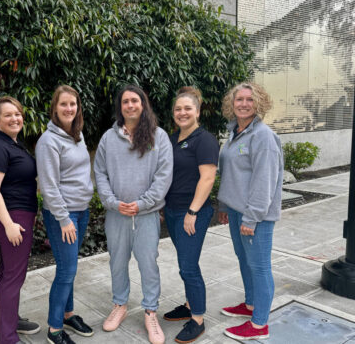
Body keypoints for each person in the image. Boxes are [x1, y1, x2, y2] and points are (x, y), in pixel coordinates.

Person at [94, 85, 173, 344]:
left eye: (134, 101)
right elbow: (101, 174)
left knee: (148, 264)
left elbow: (163, 177)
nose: (130, 105)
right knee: (117, 262)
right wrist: (112, 202)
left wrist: (142, 203)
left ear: (143, 104)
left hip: (146, 215)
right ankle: (120, 304)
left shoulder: (158, 137)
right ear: (120, 107)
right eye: (125, 101)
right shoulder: (108, 138)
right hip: (116, 215)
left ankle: (151, 310)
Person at [217, 82, 283, 341]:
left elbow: (264, 180)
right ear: (231, 104)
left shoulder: (263, 136)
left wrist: (252, 217)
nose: (243, 104)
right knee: (244, 260)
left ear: (259, 103)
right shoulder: (234, 132)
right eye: (239, 100)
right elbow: (229, 174)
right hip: (235, 210)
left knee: (259, 266)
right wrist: (224, 206)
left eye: (249, 99)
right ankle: (251, 304)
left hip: (257, 216)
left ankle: (259, 325)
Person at [36, 86, 94, 344]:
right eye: (64, 104)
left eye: (73, 104)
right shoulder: (48, 141)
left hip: (81, 211)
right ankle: (54, 329)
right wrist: (63, 218)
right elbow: (48, 186)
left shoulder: (77, 135)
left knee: (70, 267)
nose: (69, 108)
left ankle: (69, 314)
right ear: (54, 108)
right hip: (64, 214)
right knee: (66, 270)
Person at [162, 87, 219, 343]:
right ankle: (188, 303)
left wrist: (193, 212)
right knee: (185, 261)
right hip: (173, 210)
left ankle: (197, 318)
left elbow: (207, 178)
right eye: (178, 109)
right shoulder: (172, 138)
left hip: (192, 211)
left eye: (188, 108)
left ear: (197, 111)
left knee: (188, 266)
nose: (182, 112)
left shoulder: (204, 139)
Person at [0, 96, 40, 344]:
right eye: (8, 115)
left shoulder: (14, 143)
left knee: (8, 273)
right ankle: (6, 337)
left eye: (17, 114)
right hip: (12, 217)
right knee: (14, 276)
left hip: (18, 214)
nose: (14, 118)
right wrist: (8, 224)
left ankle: (11, 319)